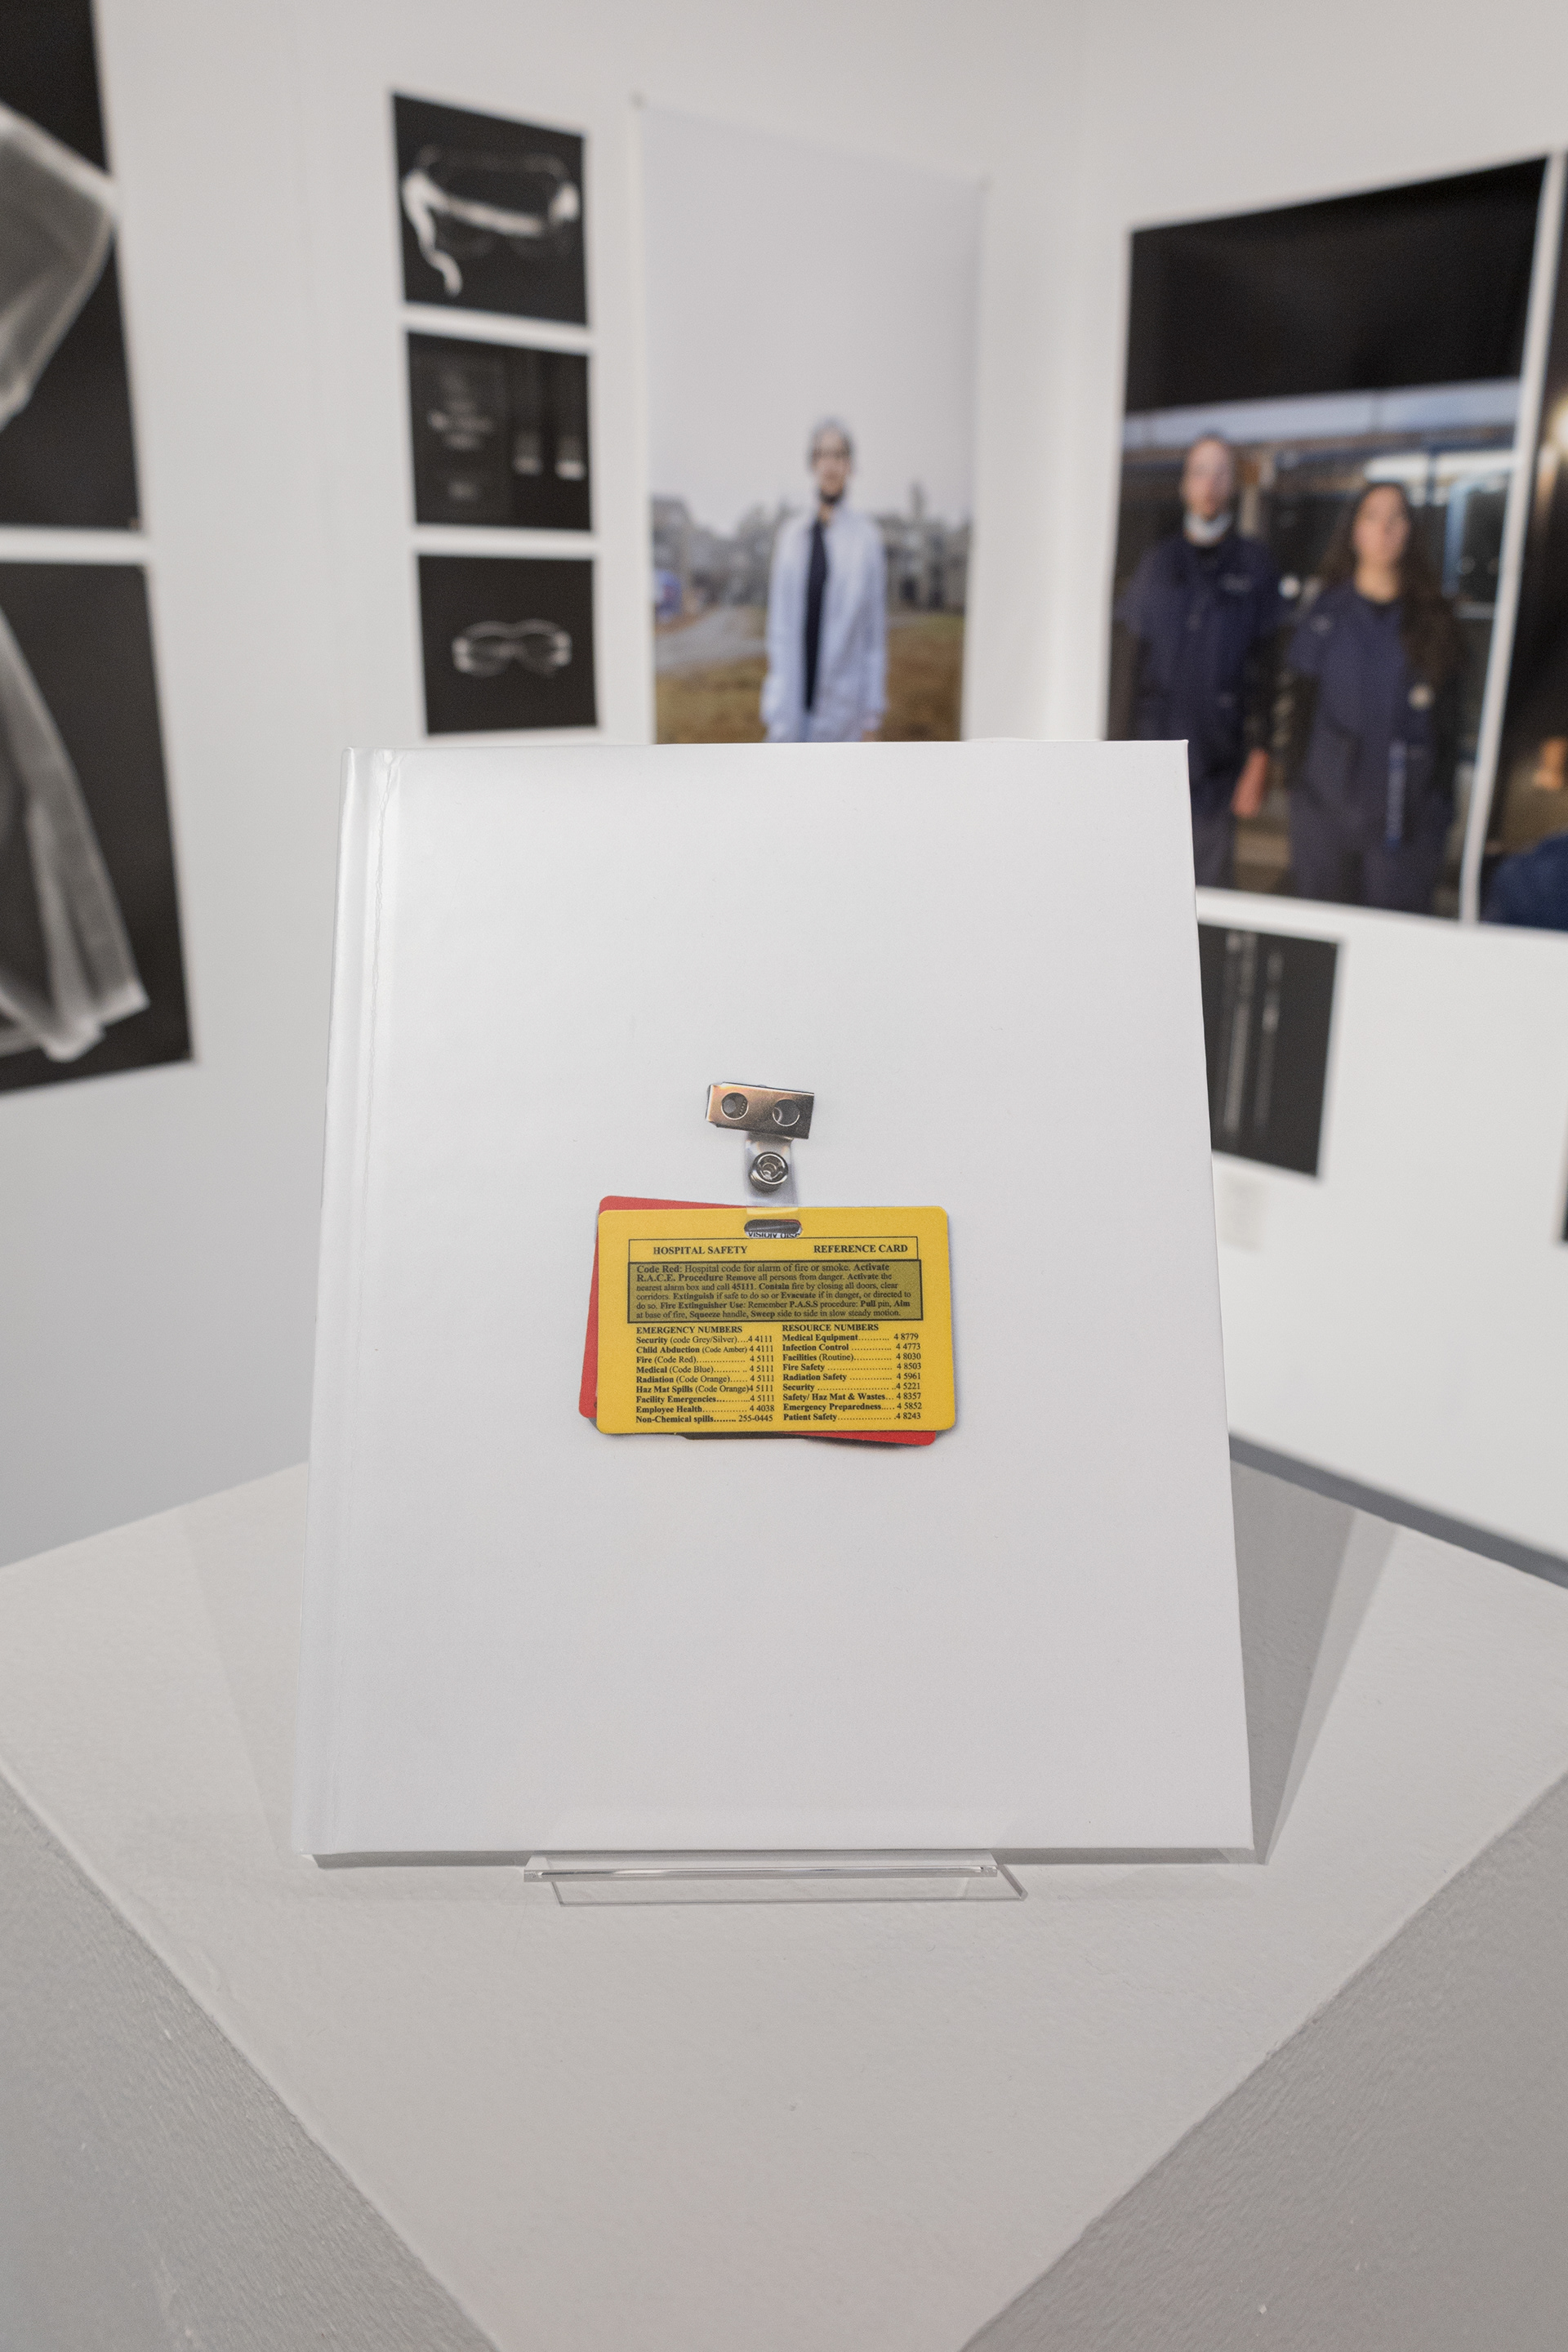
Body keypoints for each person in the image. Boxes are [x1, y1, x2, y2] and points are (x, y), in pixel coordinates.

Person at [1281, 482, 1463, 914]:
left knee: (1391, 939)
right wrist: (1295, 789)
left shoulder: (1435, 622)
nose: (1384, 529)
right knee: (1322, 931)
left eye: (1396, 518)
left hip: (1405, 821)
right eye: (1372, 516)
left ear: (1410, 531)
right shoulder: (1324, 615)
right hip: (1324, 814)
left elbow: (1450, 730)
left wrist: (1438, 811)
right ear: (1353, 530)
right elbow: (1299, 714)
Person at [1108, 435, 1281, 886]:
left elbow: (1267, 672)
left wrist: (1259, 758)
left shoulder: (1255, 567)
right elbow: (1128, 669)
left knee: (1203, 893)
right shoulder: (1157, 565)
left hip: (1218, 766)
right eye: (1200, 471)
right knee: (1144, 884)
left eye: (1222, 472)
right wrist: (1115, 759)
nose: (1210, 483)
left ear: (1234, 485)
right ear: (1185, 484)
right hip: (1152, 759)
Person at [761, 420, 886, 743]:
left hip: (844, 709)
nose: (831, 465)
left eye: (839, 455)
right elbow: (779, 627)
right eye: (823, 455)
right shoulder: (791, 537)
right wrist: (775, 703)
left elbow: (873, 637)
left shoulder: (866, 540)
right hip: (792, 704)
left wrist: (871, 716)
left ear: (850, 465)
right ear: (813, 463)